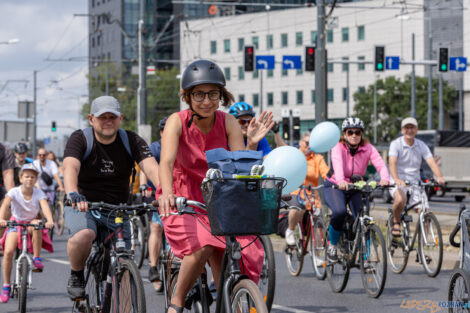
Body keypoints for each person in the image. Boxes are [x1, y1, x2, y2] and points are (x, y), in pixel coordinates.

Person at [158, 59, 273, 313]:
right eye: (199, 94)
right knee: (204, 245)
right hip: (183, 197)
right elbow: (165, 163)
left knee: (238, 255)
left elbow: (239, 168)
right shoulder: (176, 122)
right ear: (188, 96)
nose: (207, 100)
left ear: (221, 95)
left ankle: (231, 303)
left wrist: (251, 145)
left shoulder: (228, 122)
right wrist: (167, 193)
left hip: (219, 198)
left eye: (213, 94)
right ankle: (175, 304)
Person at [62, 95, 160, 300]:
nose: (108, 121)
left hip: (118, 209)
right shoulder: (80, 138)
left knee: (123, 261)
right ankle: (77, 274)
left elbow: (151, 167)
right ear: (91, 119)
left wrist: (165, 192)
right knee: (84, 235)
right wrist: (73, 193)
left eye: (112, 117)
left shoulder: (131, 139)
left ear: (120, 118)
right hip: (83, 204)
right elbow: (70, 166)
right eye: (102, 117)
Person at [324, 117, 389, 261]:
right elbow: (338, 163)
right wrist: (341, 181)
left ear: (361, 134)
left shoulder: (368, 148)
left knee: (361, 217)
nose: (354, 135)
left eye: (357, 132)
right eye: (350, 132)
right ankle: (332, 246)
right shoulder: (338, 147)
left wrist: (385, 178)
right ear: (345, 134)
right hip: (335, 185)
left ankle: (364, 255)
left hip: (356, 186)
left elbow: (380, 163)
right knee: (339, 212)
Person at [0, 163, 54, 303]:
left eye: (32, 177)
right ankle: (6, 285)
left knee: (37, 224)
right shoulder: (14, 192)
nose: (29, 179)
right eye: (26, 176)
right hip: (15, 223)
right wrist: (1, 219)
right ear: (21, 178)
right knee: (8, 252)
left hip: (31, 223)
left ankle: (36, 258)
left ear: (36, 179)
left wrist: (50, 220)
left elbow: (44, 206)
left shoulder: (39, 193)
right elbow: (5, 204)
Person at [388, 117, 445, 236]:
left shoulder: (421, 145)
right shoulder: (396, 144)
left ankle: (422, 251)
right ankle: (396, 221)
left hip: (415, 183)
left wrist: (439, 177)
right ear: (402, 130)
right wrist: (397, 179)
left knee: (426, 214)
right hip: (398, 181)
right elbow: (392, 163)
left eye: (412, 127)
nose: (409, 130)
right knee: (400, 200)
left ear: (416, 130)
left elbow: (431, 162)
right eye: (406, 127)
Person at [285, 131, 329, 246]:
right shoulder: (295, 156)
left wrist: (332, 181)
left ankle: (319, 255)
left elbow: (326, 173)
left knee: (319, 225)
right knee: (296, 208)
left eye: (312, 143)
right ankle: (290, 230)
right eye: (307, 142)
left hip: (312, 195)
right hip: (297, 192)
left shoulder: (317, 158)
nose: (310, 146)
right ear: (300, 143)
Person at [144, 116, 167, 292]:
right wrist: (145, 186)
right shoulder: (155, 147)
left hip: (177, 192)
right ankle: (153, 266)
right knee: (156, 227)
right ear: (161, 132)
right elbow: (145, 166)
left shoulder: (182, 146)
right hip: (156, 194)